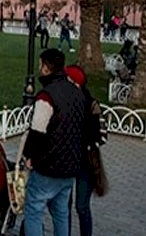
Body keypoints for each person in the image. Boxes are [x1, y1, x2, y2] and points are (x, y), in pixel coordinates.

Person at [22, 49, 86, 236]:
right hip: (70, 165)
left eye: (41, 64)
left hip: (48, 165)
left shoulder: (46, 96)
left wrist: (30, 156)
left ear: (47, 68)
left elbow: (38, 131)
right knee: (61, 213)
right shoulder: (77, 94)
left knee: (33, 210)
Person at [63, 65, 107, 236]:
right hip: (66, 160)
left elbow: (102, 135)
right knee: (64, 206)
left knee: (82, 206)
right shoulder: (63, 101)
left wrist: (84, 144)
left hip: (84, 162)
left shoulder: (91, 104)